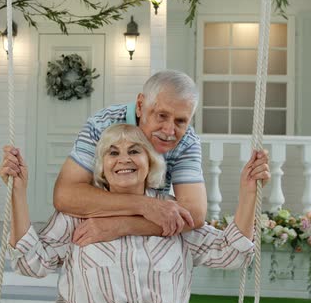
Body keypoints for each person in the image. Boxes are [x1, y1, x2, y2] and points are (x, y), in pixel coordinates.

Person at [0, 124, 270, 303]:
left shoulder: (171, 212)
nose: (123, 159)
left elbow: (232, 254)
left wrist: (248, 193)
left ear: (151, 162)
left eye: (134, 150)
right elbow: (30, 263)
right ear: (103, 167)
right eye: (113, 152)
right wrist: (18, 193)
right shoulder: (77, 215)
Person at [56, 70, 205, 242]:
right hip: (93, 238)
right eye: (161, 116)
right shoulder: (102, 124)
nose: (169, 131)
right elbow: (65, 195)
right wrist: (145, 206)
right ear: (140, 105)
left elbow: (195, 213)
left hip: (149, 244)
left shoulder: (187, 140)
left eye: (180, 121)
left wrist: (123, 226)